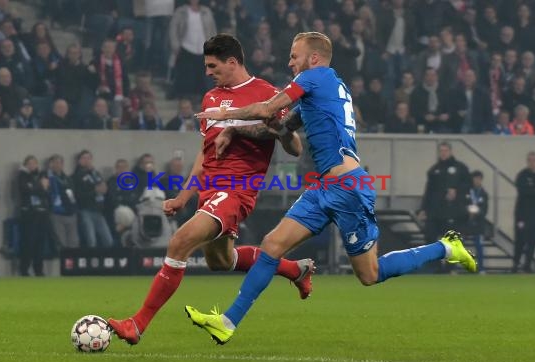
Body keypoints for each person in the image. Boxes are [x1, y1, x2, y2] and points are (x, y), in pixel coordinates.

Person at [188, 32, 477, 345]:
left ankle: (447, 248)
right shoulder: (323, 89)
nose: (289, 62)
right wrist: (236, 133)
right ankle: (228, 322)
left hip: (349, 186)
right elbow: (280, 130)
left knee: (370, 275)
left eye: (294, 56)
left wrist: (226, 116)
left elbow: (266, 109)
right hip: (325, 185)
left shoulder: (316, 77)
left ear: (313, 58)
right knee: (272, 244)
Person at [108, 34, 314, 345]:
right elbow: (204, 154)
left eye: (212, 65)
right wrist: (184, 196)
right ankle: (294, 269)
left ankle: (136, 325)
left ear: (233, 62)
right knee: (221, 261)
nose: (207, 72)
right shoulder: (211, 99)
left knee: (179, 242)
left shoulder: (268, 95)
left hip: (236, 190)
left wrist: (279, 132)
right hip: (211, 191)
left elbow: (295, 146)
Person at [418, 142, 471, 244]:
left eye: (445, 151)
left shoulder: (460, 168)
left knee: (452, 244)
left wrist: (457, 191)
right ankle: (433, 260)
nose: (443, 153)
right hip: (435, 212)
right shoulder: (434, 170)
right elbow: (428, 191)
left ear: (450, 151)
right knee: (429, 239)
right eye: (441, 151)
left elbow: (468, 185)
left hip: (453, 212)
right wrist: (423, 209)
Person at [512, 151, 535, 273]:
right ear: (527, 161)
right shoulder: (522, 175)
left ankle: (527, 265)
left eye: (534, 160)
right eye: (530, 160)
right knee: (520, 240)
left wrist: (533, 191)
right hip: (522, 214)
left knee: (532, 241)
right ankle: (515, 264)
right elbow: (523, 191)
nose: (532, 162)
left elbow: (531, 192)